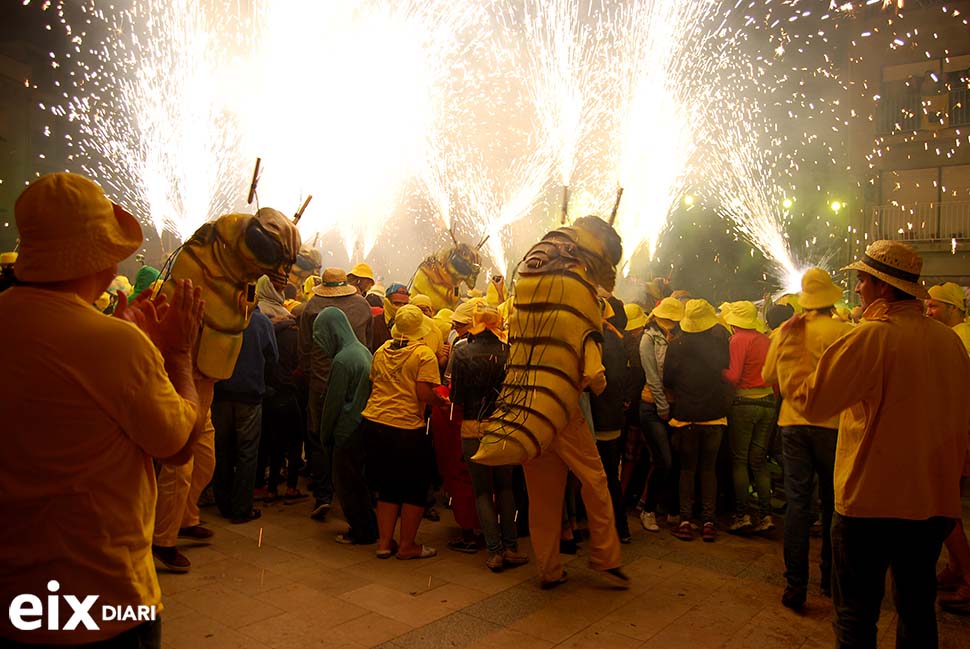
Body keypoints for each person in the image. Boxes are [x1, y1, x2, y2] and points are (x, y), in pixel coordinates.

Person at [0, 173, 204, 646]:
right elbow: (177, 447)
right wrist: (176, 356)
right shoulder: (114, 344)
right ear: (100, 255)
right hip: (101, 601)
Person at [775, 240, 970, 648]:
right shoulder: (949, 342)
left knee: (855, 616)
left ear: (881, 287)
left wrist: (790, 347)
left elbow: (813, 401)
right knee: (917, 611)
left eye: (862, 280)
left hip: (870, 504)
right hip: (931, 502)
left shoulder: (872, 339)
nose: (858, 289)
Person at [762, 268, 852, 610]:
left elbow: (768, 374)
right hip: (833, 425)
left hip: (793, 425)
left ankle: (795, 587)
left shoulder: (787, 330)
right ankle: (831, 580)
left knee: (798, 506)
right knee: (833, 504)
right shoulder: (844, 331)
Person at [361, 305, 449, 559]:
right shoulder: (423, 354)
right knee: (414, 488)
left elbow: (375, 382)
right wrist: (441, 401)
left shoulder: (381, 350)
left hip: (375, 423)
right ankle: (408, 546)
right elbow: (423, 393)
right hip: (406, 428)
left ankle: (384, 544)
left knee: (387, 486)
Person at [451, 302, 529, 571]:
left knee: (483, 491)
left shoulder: (461, 352)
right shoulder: (511, 352)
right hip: (504, 427)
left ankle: (494, 552)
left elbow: (456, 398)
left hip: (473, 427)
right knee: (506, 488)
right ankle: (511, 548)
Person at [299, 267, 373, 520]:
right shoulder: (362, 306)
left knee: (319, 435)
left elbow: (305, 349)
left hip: (321, 383)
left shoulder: (311, 307)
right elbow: (369, 344)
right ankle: (353, 494)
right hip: (357, 381)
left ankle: (323, 495)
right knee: (353, 436)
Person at [663, 299, 731, 543]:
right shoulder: (719, 345)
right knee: (709, 469)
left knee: (687, 469)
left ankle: (684, 521)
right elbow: (726, 371)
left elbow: (668, 379)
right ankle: (709, 523)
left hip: (686, 416)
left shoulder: (676, 345)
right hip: (714, 416)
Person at [313, 307, 378, 545]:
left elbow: (333, 404)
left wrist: (324, 434)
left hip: (346, 430)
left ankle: (362, 532)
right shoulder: (362, 351)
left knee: (347, 485)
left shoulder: (342, 361)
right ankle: (369, 527)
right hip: (363, 425)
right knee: (358, 483)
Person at [924, 282, 970, 613]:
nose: (929, 311)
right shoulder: (956, 335)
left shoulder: (959, 339)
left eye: (935, 307)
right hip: (956, 431)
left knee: (944, 505)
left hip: (959, 433)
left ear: (954, 309)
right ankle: (957, 566)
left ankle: (968, 577)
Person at [211, 308, 278, 524]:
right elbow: (272, 359)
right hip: (250, 396)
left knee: (222, 450)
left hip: (220, 393)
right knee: (247, 452)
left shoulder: (219, 315)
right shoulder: (262, 322)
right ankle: (241, 508)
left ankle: (223, 502)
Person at [723, 301, 776, 535]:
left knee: (739, 461)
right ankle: (766, 516)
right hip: (768, 403)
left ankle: (742, 515)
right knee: (759, 461)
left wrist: (715, 369)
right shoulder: (765, 339)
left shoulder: (737, 340)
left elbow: (733, 376)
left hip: (744, 403)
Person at [636, 297, 683, 532]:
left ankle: (670, 509)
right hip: (651, 406)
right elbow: (652, 376)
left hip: (674, 406)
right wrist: (663, 406)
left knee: (674, 460)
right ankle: (648, 510)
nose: (670, 324)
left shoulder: (679, 337)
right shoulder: (648, 339)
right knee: (663, 460)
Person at [590, 296, 633, 544]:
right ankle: (619, 527)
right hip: (612, 416)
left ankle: (609, 529)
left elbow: (598, 380)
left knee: (599, 476)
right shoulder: (615, 339)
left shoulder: (599, 340)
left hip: (600, 418)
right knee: (608, 476)